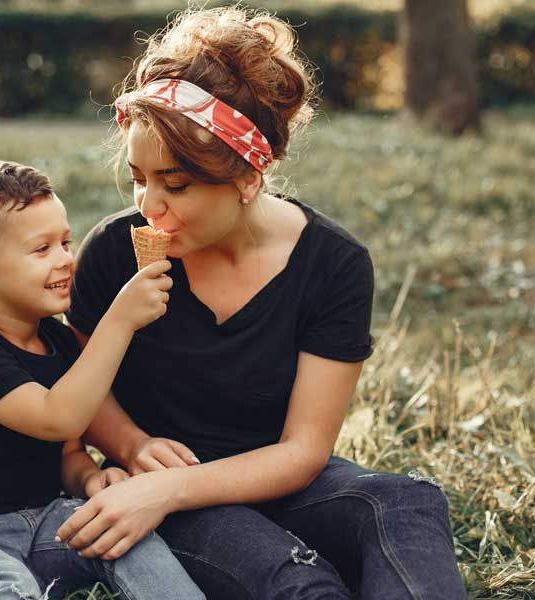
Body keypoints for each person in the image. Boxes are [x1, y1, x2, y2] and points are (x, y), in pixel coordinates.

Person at [60, 6, 468, 599]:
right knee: (296, 579)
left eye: (176, 184)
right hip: (166, 492)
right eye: (139, 176)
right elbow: (81, 383)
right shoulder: (112, 253)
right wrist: (133, 449)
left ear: (249, 177)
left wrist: (167, 490)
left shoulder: (333, 264)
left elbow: (304, 451)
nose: (150, 204)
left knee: (406, 502)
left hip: (270, 478)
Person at [0, 160, 204, 600]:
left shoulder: (57, 341)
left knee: (126, 538)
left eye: (66, 242)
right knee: (1, 586)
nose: (66, 260)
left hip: (43, 521)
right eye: (42, 250)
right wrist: (119, 321)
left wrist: (91, 481)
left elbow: (68, 451)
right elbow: (57, 421)